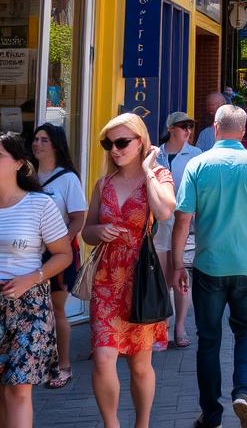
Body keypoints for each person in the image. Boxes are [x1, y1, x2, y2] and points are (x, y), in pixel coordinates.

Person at [173, 103, 247, 428]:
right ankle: (243, 392)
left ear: (216, 129)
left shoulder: (198, 164)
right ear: (245, 131)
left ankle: (211, 414)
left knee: (208, 340)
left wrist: (178, 263)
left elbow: (182, 220)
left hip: (209, 265)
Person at [83, 113, 176, 428]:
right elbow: (87, 232)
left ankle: (143, 423)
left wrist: (149, 171)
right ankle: (111, 424)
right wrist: (100, 230)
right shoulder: (104, 183)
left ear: (141, 142)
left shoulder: (160, 175)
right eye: (109, 143)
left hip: (140, 280)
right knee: (103, 357)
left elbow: (164, 211)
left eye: (122, 142)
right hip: (107, 280)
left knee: (139, 364)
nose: (115, 150)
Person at [0, 131, 72, 424]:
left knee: (18, 389)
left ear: (19, 163)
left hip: (30, 307)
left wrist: (33, 278)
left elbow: (64, 254)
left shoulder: (39, 205)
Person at [31, 122, 87, 388]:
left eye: (44, 140)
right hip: (27, 254)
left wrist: (61, 244)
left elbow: (78, 218)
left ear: (55, 144)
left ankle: (63, 365)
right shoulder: (27, 176)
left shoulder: (67, 179)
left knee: (56, 309)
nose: (37, 144)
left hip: (58, 256)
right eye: (35, 139)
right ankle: (38, 362)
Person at [155, 112, 201, 348]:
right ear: (171, 128)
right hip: (159, 226)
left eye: (190, 127)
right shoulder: (155, 155)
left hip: (186, 224)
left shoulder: (195, 155)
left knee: (181, 277)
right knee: (162, 278)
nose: (188, 131)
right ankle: (162, 325)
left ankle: (180, 326)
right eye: (184, 127)